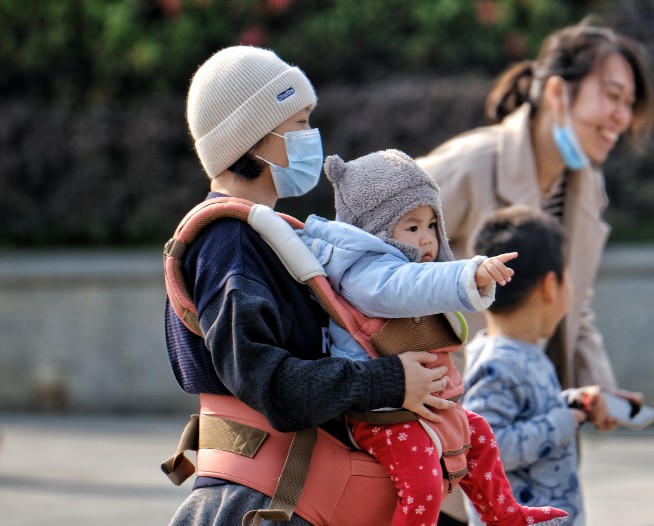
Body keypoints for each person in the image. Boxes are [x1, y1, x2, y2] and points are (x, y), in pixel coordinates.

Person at [165, 46, 455, 526]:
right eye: (298, 124)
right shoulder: (228, 243)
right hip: (260, 501)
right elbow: (269, 383)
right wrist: (390, 380)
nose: (310, 138)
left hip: (285, 495)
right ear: (250, 138)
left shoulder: (262, 232)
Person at [300, 150, 569, 526]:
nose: (426, 239)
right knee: (424, 487)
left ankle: (504, 514)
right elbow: (405, 287)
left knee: (480, 435)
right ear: (374, 229)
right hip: (382, 415)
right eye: (412, 227)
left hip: (418, 408)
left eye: (431, 225)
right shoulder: (364, 272)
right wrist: (467, 274)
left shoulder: (394, 267)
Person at [416, 19, 654, 395]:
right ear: (558, 93)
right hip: (449, 412)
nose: (622, 118)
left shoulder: (586, 185)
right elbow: (376, 249)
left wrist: (599, 390)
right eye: (612, 96)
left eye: (629, 104)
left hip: (524, 416)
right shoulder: (471, 163)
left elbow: (572, 299)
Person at [463, 205, 608, 526]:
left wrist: (573, 402)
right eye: (569, 278)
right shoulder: (496, 363)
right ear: (549, 286)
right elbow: (488, 447)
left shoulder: (525, 353)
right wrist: (561, 421)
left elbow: (530, 410)